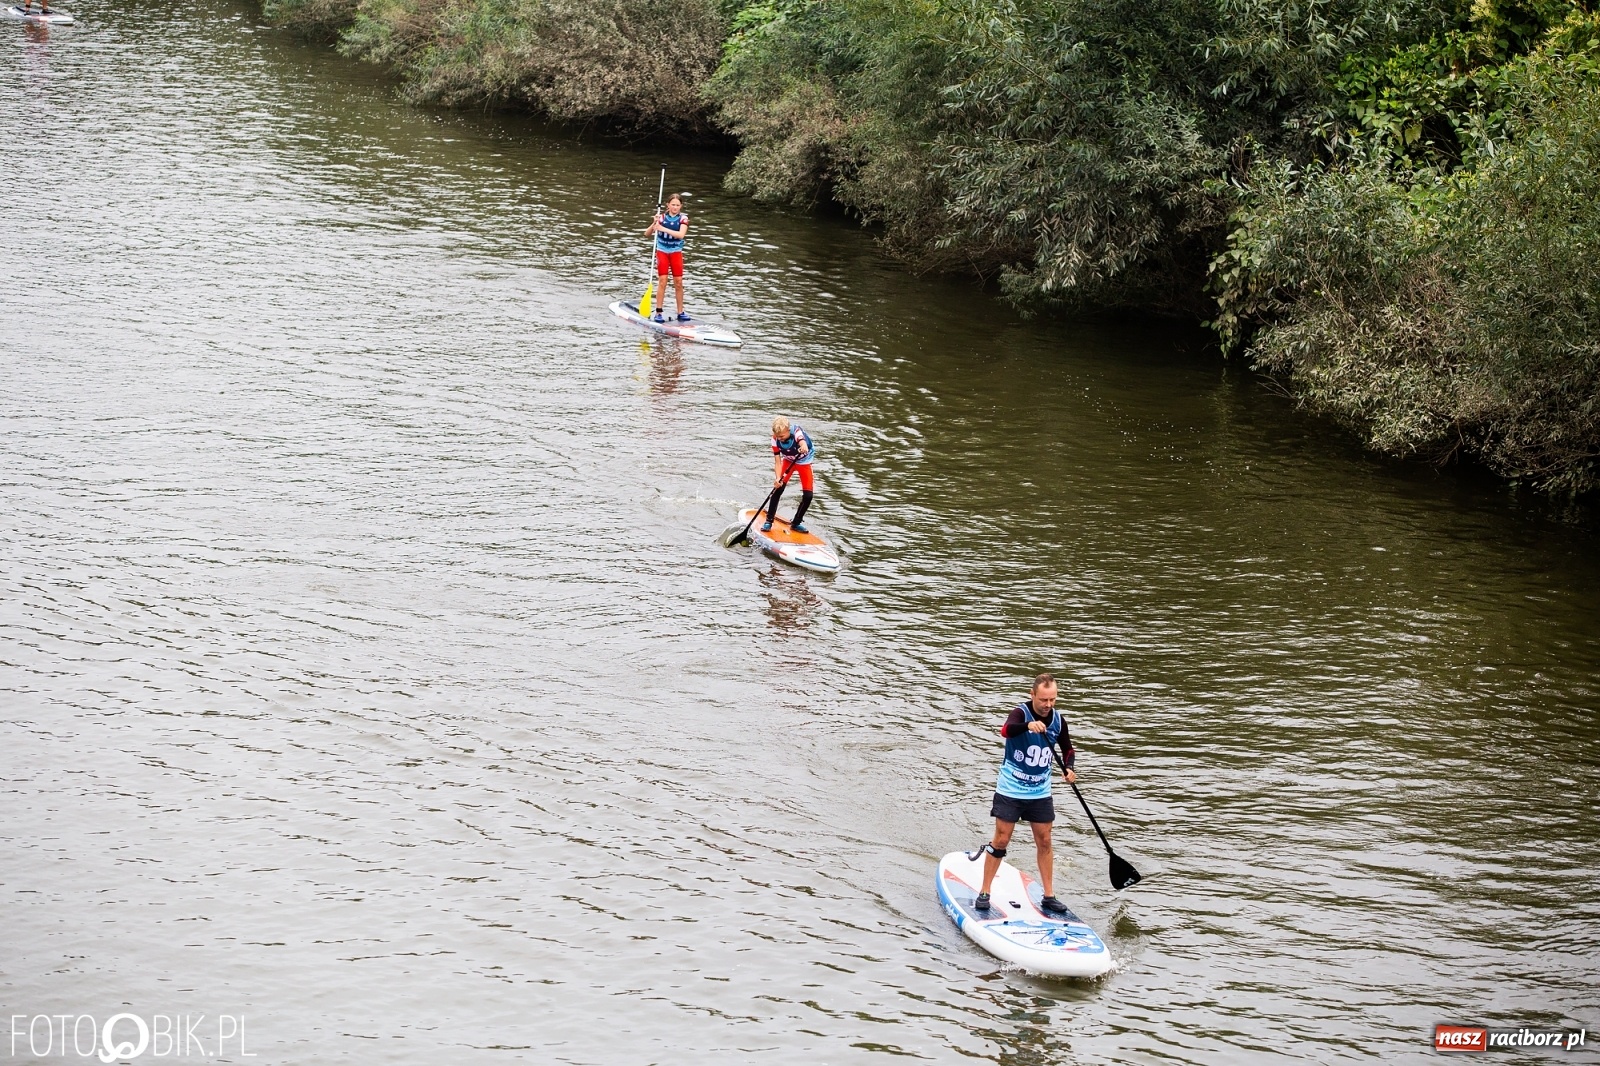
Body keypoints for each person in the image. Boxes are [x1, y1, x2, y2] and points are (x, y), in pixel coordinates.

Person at [973, 672, 1077, 914]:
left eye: (1052, 700)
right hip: (1011, 788)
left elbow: (1068, 749)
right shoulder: (1021, 713)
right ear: (1032, 695)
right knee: (1001, 840)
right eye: (1043, 700)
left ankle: (1049, 896)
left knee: (1045, 841)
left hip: (1040, 791)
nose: (1048, 705)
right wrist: (1028, 726)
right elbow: (1006, 731)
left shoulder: (1058, 721)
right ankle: (985, 890)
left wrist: (1070, 769)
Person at [764, 417, 816, 534]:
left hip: (804, 462)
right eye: (778, 436)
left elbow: (802, 441)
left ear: (788, 430)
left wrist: (803, 446)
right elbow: (777, 461)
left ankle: (796, 523)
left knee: (808, 496)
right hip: (788, 461)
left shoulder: (797, 432)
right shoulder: (775, 440)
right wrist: (778, 478)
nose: (780, 439)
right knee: (778, 488)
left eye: (782, 436)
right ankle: (769, 521)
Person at [645, 193, 690, 322]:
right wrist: (654, 223)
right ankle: (658, 312)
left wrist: (662, 228)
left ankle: (680, 312)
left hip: (676, 252)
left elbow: (680, 235)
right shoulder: (661, 218)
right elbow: (647, 234)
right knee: (663, 280)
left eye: (677, 205)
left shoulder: (683, 219)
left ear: (681, 206)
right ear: (668, 205)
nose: (675, 207)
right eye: (673, 205)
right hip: (662, 251)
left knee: (679, 282)